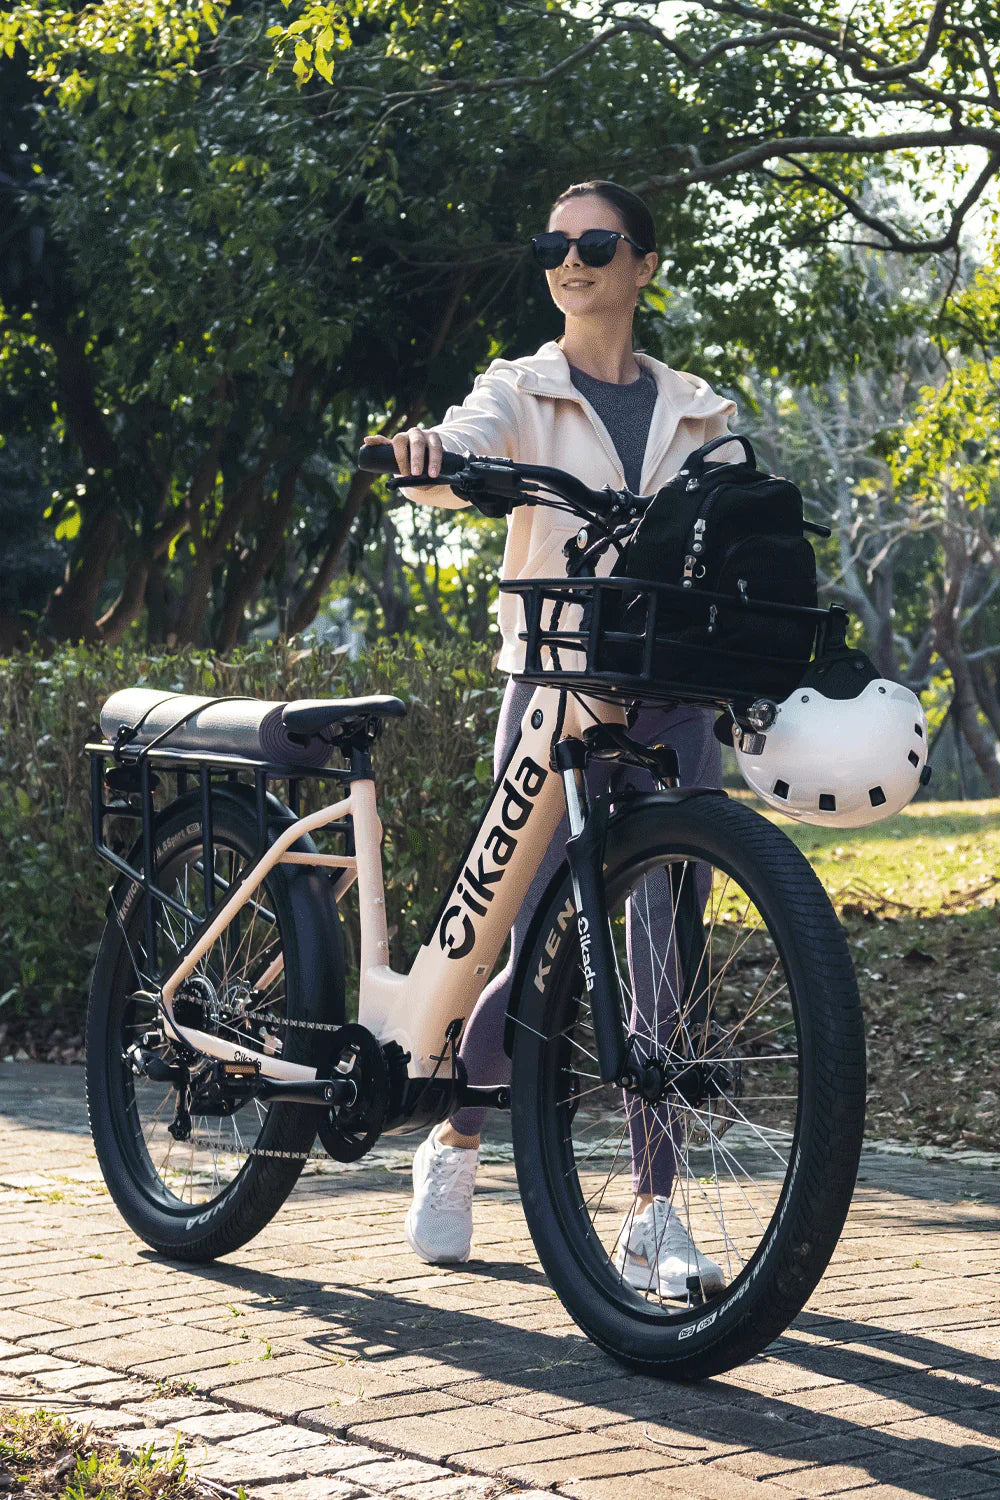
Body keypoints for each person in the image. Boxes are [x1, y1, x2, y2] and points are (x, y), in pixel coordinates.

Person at [364, 180, 735, 1297]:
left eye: (595, 243)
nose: (570, 260)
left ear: (643, 266)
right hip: (556, 691)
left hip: (672, 692)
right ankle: (458, 1139)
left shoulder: (699, 408)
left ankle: (653, 1213)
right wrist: (434, 453)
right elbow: (469, 446)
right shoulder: (518, 388)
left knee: (665, 957)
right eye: (553, 245)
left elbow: (730, 520)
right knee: (527, 951)